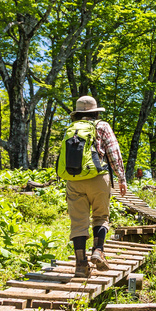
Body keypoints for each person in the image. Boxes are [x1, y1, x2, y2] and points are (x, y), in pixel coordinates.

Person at [56, 96, 127, 278]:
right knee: (101, 216)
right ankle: (98, 250)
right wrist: (121, 177)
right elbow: (113, 151)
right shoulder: (101, 126)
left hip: (73, 179)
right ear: (95, 111)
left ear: (78, 113)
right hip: (97, 177)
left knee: (78, 222)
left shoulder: (71, 129)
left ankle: (80, 265)